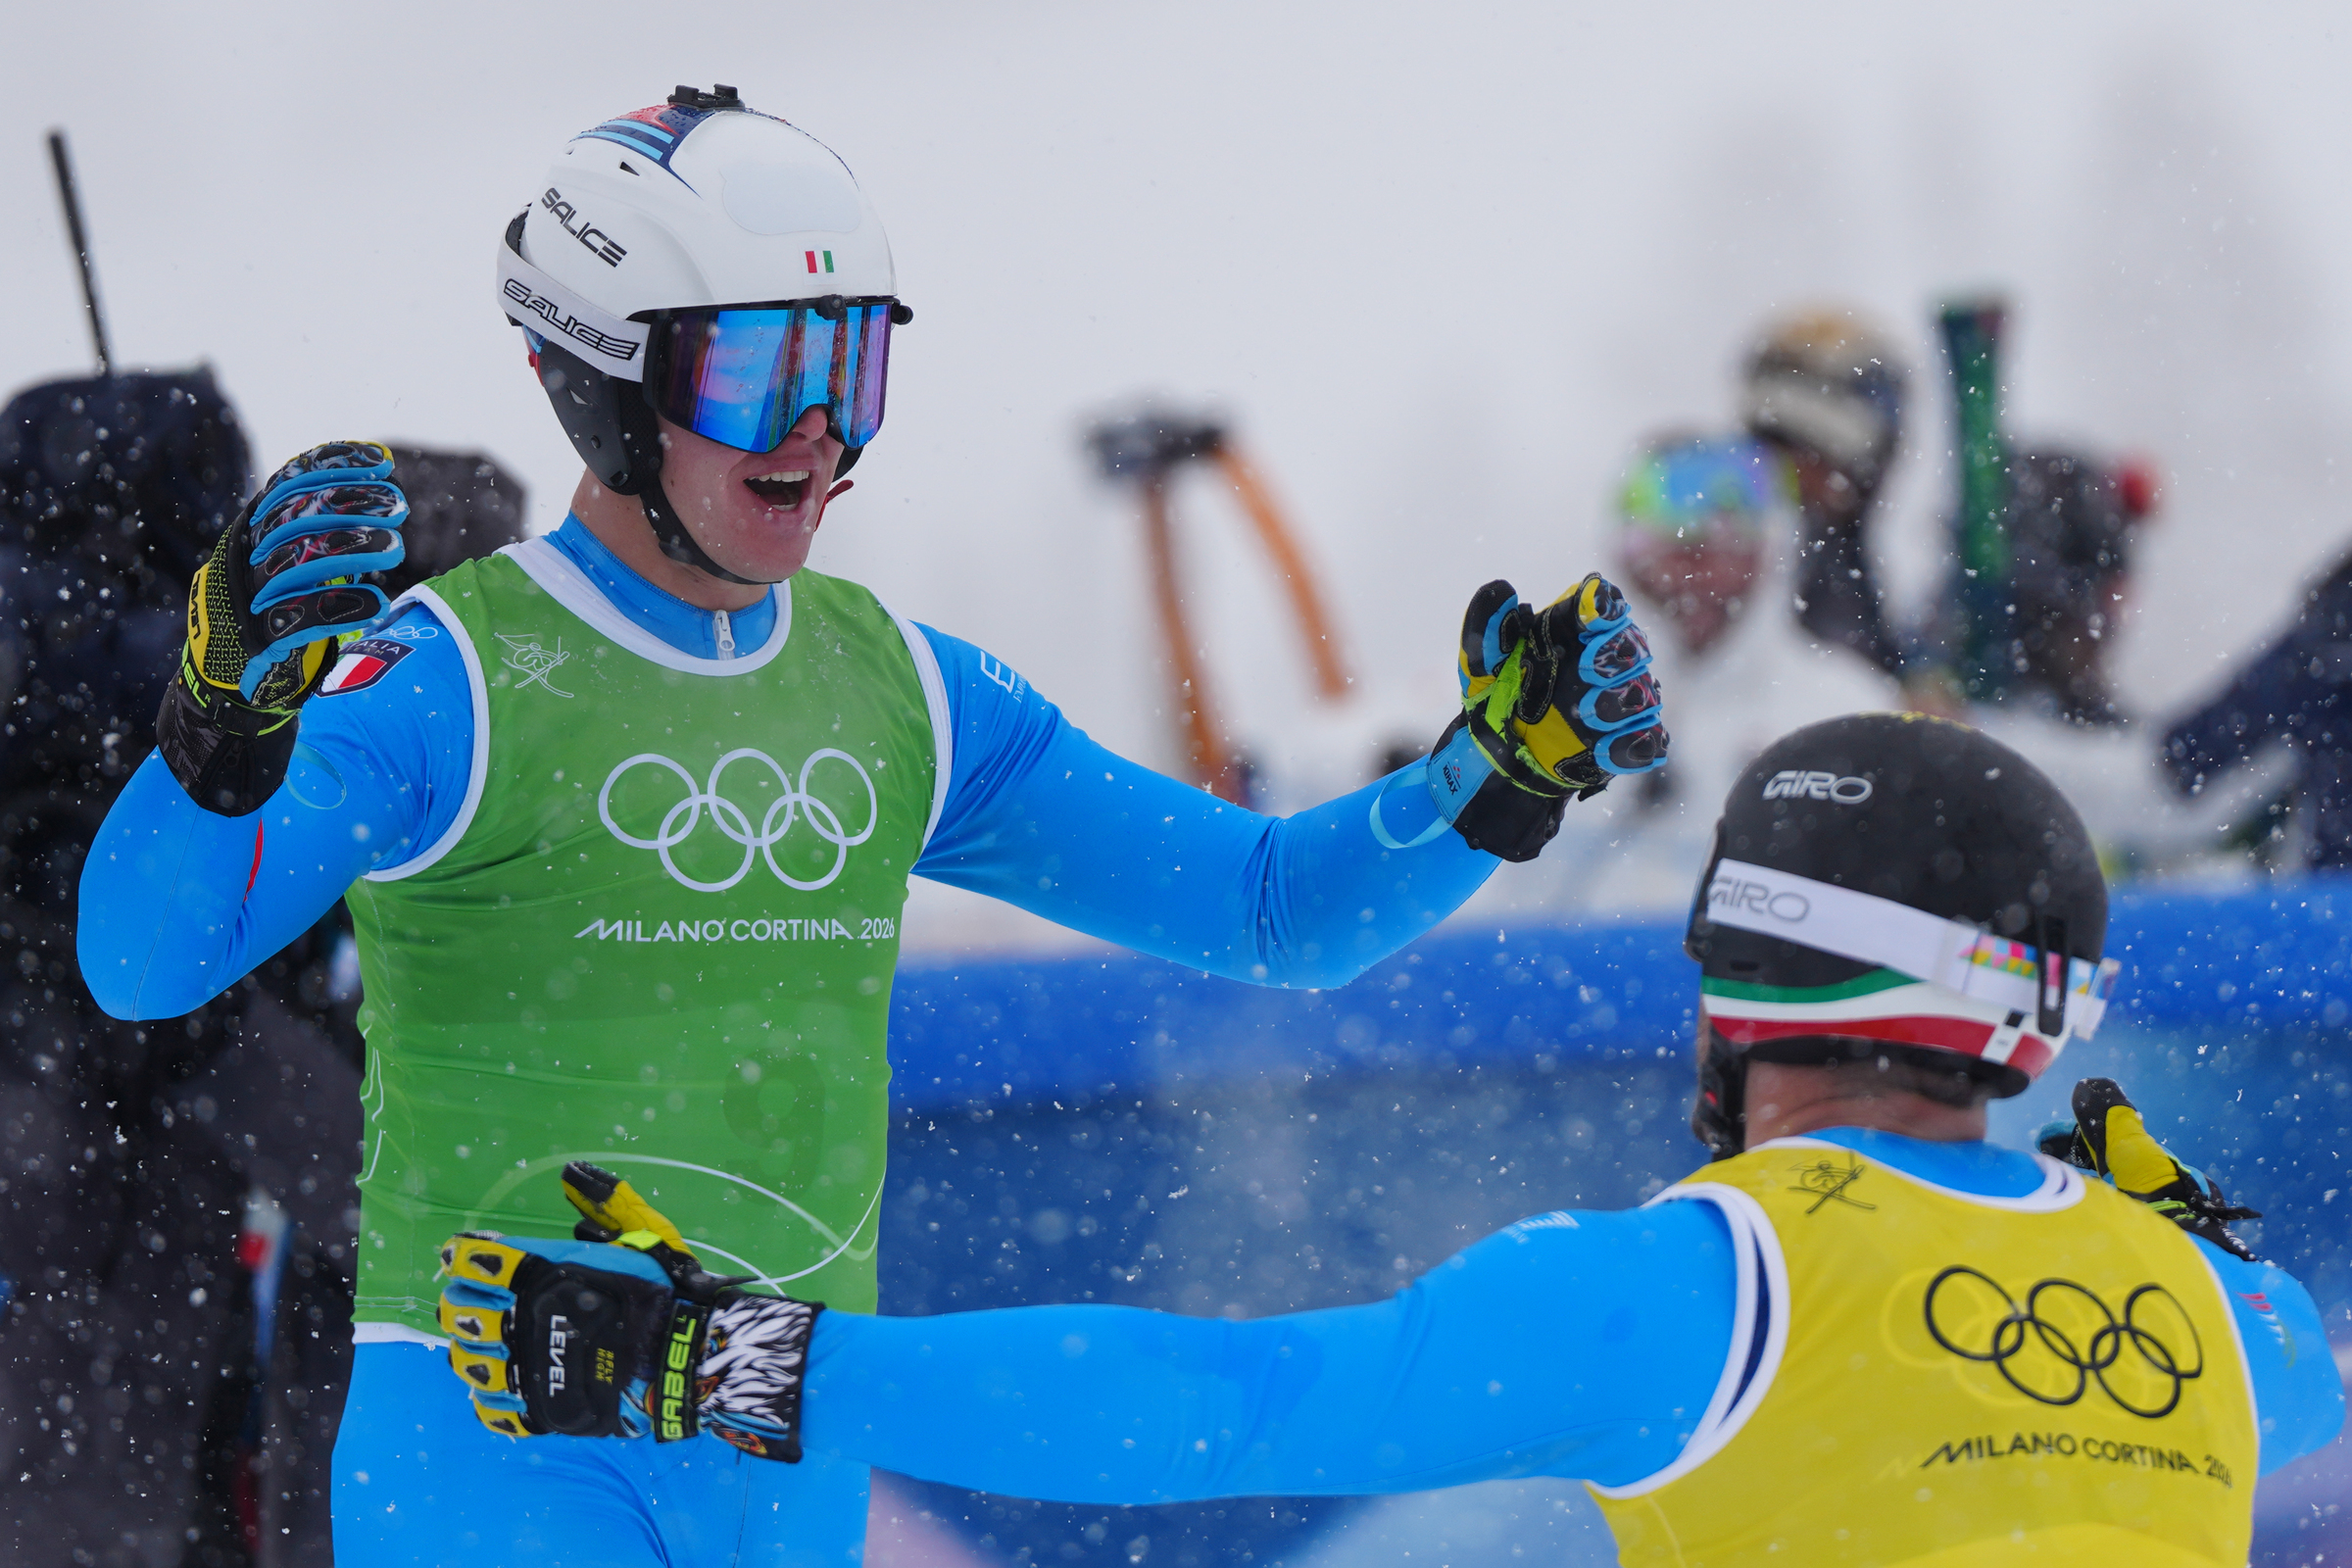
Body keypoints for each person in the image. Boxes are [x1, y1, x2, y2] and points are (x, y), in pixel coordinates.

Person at [74, 86, 1670, 1567]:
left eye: (855, 363)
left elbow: (1272, 915)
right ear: (602, 371)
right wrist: (218, 729)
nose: (820, 430)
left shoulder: (903, 691)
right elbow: (142, 963)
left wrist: (1495, 777)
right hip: (497, 1438)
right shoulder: (456, 680)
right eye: (766, 369)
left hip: (771, 1423)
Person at [444, 713, 2341, 1567]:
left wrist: (733, 1357)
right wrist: (2202, 1235)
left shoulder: (1693, 1286)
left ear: (1747, 980)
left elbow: (1222, 1408)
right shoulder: (2223, 1313)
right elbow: (2302, 1374)